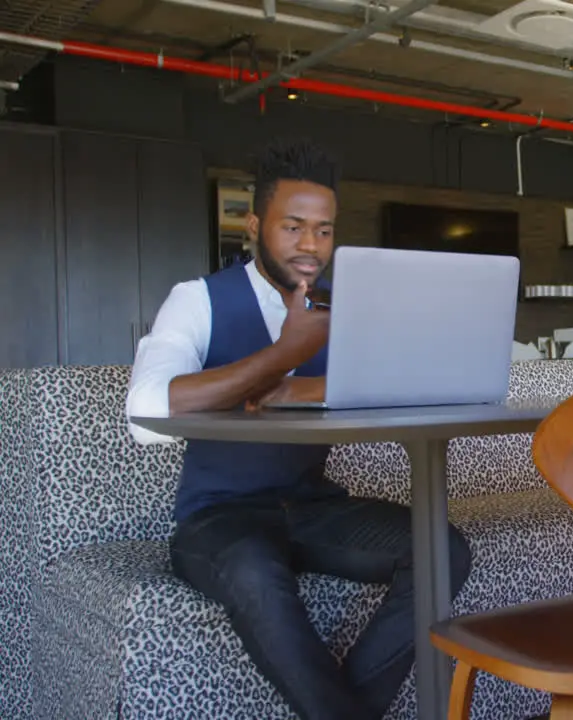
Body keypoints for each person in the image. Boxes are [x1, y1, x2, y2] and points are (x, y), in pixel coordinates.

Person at [126, 138, 473, 720]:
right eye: (293, 227)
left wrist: (295, 389)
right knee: (255, 572)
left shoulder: (342, 312)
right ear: (256, 224)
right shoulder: (197, 301)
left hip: (313, 508)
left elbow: (393, 387)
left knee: (443, 550)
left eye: (325, 230)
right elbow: (147, 412)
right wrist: (283, 354)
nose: (311, 246)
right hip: (219, 518)